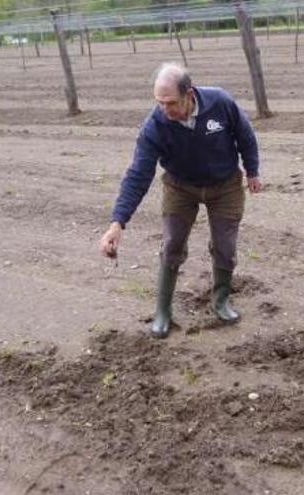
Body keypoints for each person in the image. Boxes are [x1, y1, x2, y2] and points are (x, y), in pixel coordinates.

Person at [99, 62, 262, 339]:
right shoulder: (155, 125)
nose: (165, 109)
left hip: (224, 185)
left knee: (225, 244)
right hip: (180, 187)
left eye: (171, 102)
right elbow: (138, 173)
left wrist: (253, 170)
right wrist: (118, 222)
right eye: (159, 102)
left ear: (190, 93)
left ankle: (221, 300)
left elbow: (245, 135)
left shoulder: (220, 102)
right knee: (173, 242)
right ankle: (163, 310)